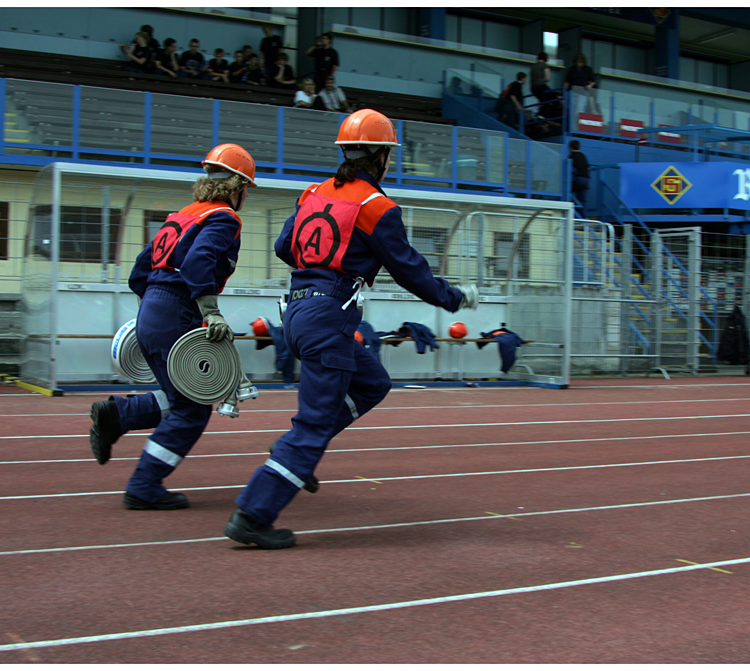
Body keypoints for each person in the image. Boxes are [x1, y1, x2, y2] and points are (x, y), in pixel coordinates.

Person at [222, 109, 478, 549]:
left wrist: (318, 269)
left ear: (343, 151)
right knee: (313, 425)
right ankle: (254, 513)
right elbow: (410, 270)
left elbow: (286, 246)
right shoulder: (376, 206)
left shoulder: (312, 193)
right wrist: (455, 297)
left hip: (298, 312)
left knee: (373, 382)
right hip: (330, 318)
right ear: (381, 156)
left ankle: (296, 453)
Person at [89, 144, 258, 510]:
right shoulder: (224, 218)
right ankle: (143, 485)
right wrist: (209, 311)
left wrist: (152, 307)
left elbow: (139, 271)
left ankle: (118, 414)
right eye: (246, 188)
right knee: (193, 409)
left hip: (153, 309)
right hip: (178, 312)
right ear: (236, 186)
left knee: (180, 395)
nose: (246, 196)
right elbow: (198, 264)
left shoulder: (181, 216)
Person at [568, 140, 590, 206]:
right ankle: (583, 215)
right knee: (582, 201)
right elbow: (588, 168)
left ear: (570, 147)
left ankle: (571, 208)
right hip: (586, 179)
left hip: (578, 179)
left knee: (567, 191)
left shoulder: (571, 156)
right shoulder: (583, 156)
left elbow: (569, 168)